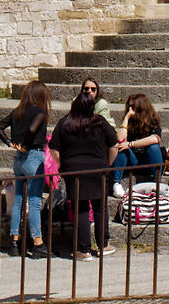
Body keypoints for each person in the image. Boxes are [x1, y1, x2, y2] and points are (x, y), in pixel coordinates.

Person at [51, 91, 120, 260]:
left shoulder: (65, 123)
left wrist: (63, 164)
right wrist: (108, 163)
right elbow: (114, 144)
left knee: (80, 208)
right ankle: (103, 245)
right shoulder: (100, 122)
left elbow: (53, 148)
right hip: (98, 170)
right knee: (100, 207)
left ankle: (84, 250)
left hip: (74, 171)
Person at [0, 80, 52, 259]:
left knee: (18, 200)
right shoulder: (40, 112)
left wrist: (10, 143)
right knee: (34, 201)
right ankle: (37, 243)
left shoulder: (17, 112)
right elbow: (33, 129)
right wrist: (26, 144)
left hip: (18, 160)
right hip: (34, 157)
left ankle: (14, 242)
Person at [111, 93, 165, 195]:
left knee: (153, 147)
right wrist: (126, 118)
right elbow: (120, 139)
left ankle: (157, 182)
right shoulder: (129, 121)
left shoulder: (153, 120)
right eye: (129, 106)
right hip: (133, 160)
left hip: (148, 160)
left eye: (133, 106)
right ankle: (116, 184)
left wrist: (131, 144)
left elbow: (155, 139)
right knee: (122, 147)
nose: (130, 109)